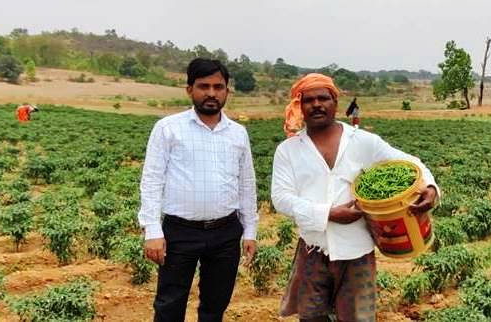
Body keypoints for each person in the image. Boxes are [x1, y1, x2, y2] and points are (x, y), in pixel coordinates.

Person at [272, 74, 439, 322]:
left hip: (356, 251)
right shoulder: (288, 150)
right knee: (311, 317)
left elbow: (409, 163)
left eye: (323, 98)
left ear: (335, 103)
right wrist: (329, 213)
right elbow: (281, 198)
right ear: (299, 106)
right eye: (309, 100)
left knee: (358, 318)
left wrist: (431, 188)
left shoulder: (362, 141)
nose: (316, 104)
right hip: (312, 248)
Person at [138, 58, 258, 322]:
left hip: (226, 232)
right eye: (204, 86)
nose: (212, 93)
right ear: (190, 89)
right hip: (180, 231)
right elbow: (152, 180)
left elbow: (246, 184)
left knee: (215, 305)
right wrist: (152, 230)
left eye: (219, 86)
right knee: (169, 304)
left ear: (227, 91)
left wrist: (250, 230)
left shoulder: (238, 133)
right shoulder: (168, 128)